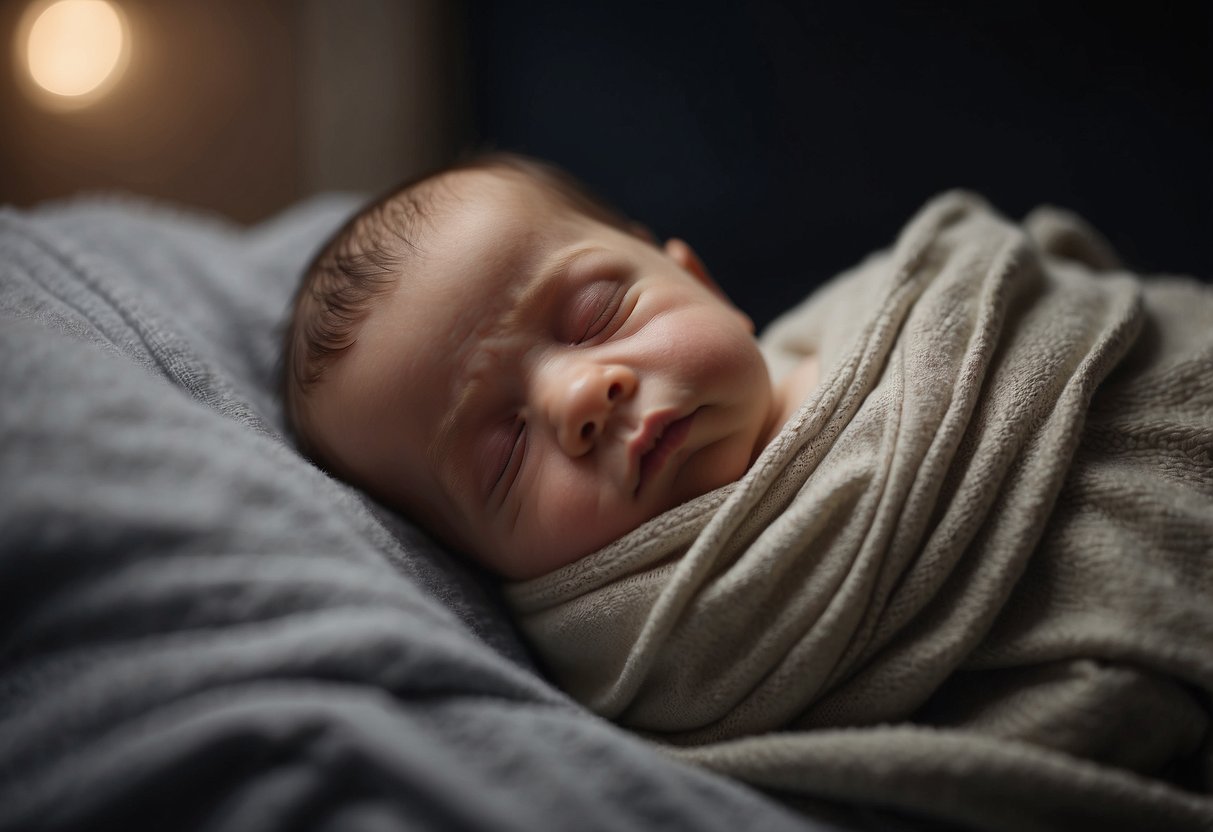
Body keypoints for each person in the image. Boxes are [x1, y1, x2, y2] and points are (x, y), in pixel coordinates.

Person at [282, 153, 821, 580]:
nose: (580, 394)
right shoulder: (633, 657)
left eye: (598, 315)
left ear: (701, 281)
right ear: (477, 565)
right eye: (507, 453)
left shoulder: (861, 325)